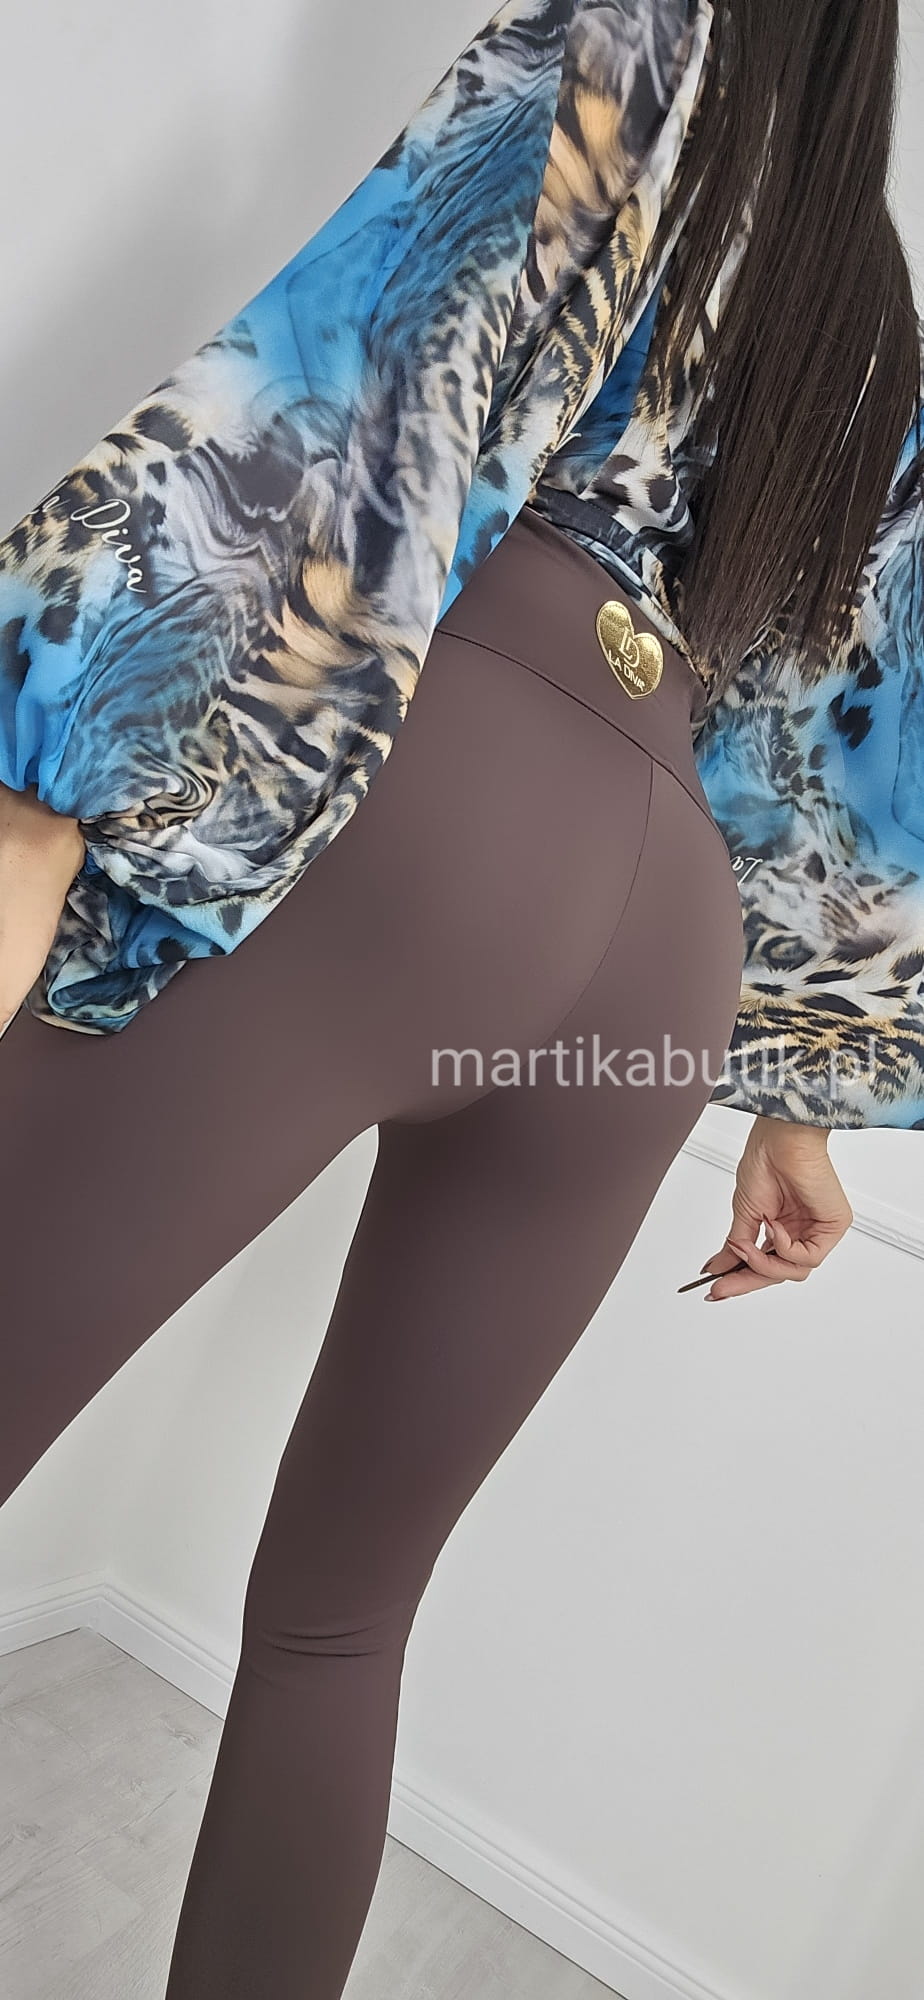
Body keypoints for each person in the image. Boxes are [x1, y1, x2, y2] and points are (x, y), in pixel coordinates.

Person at [0, 1, 921, 1993]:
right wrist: (804, 1099)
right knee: (342, 1620)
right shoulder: (875, 304)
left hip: (446, 790)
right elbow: (867, 751)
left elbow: (355, 387)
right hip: (662, 932)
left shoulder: (633, 32)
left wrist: (39, 781)